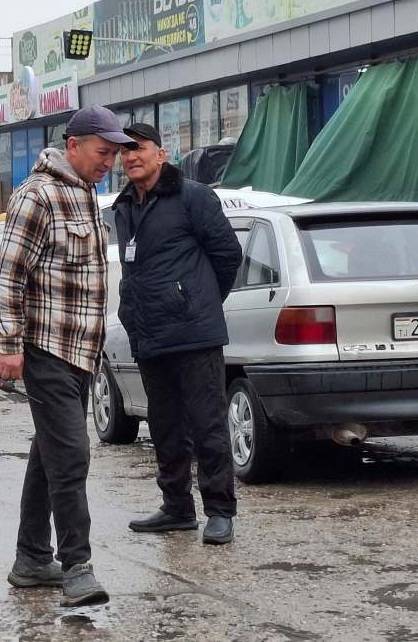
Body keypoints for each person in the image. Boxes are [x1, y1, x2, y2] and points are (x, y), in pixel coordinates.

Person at [0, 106, 134, 608]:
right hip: (45, 348)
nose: (109, 163)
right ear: (73, 146)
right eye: (102, 152)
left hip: (81, 352)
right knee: (72, 455)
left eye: (114, 154)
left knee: (49, 453)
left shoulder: (85, 192)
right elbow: (8, 275)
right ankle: (77, 569)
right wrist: (9, 344)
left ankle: (31, 558)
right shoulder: (39, 195)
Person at [113, 123, 244, 545]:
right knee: (164, 427)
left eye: (139, 148)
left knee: (207, 425)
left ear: (161, 153)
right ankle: (177, 507)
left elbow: (228, 255)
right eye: (124, 151)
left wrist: (198, 300)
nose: (131, 157)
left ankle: (220, 511)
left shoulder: (193, 197)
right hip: (149, 332)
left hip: (194, 333)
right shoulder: (124, 206)